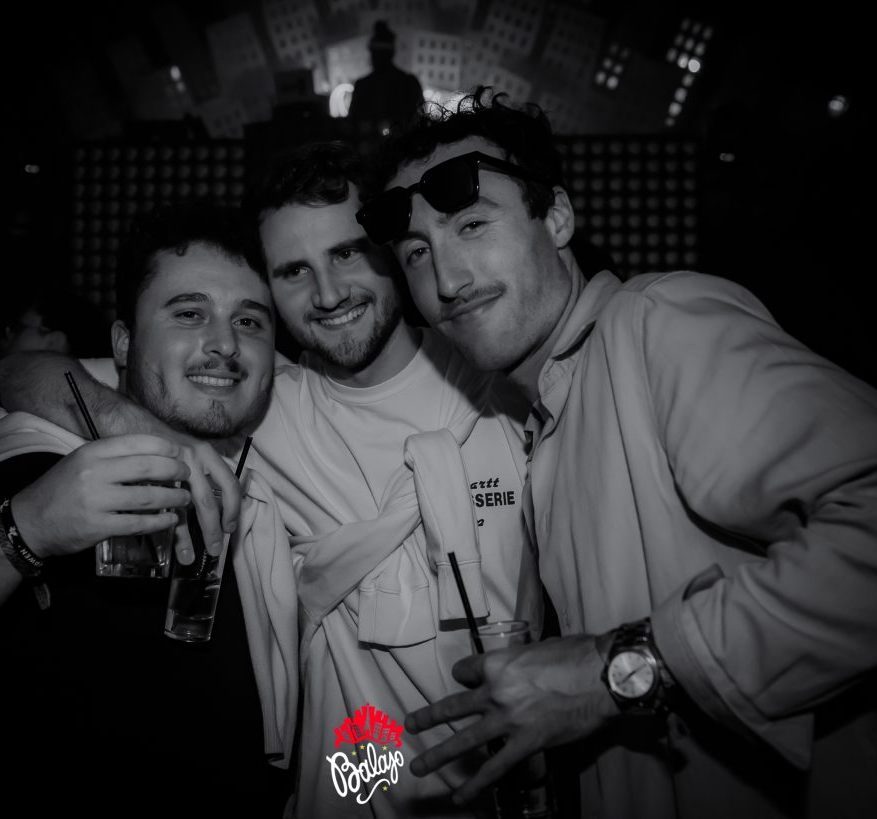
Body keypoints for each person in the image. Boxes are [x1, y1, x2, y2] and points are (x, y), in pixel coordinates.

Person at [353, 87, 877, 818]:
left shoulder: (660, 324)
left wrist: (622, 670)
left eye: (472, 224)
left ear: (557, 218)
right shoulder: (544, 418)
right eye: (417, 253)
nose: (447, 280)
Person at [0, 141, 537, 818]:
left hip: (518, 779)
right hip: (353, 782)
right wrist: (150, 433)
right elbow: (19, 374)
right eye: (293, 271)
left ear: (392, 248)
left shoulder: (503, 391)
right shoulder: (263, 404)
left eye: (347, 254)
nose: (328, 294)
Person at [0, 202, 297, 811]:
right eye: (189, 313)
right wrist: (27, 527)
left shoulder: (286, 452)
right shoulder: (39, 464)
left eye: (249, 321)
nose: (224, 343)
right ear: (123, 343)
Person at [347, 20, 425, 136]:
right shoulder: (410, 82)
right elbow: (421, 120)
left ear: (372, 53)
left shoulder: (362, 85)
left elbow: (352, 124)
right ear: (392, 53)